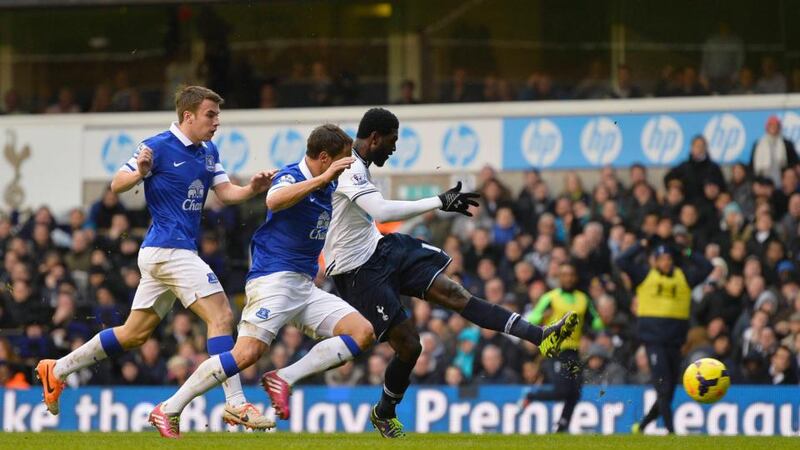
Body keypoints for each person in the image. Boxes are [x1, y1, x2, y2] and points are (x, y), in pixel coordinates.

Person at [265, 107, 577, 438]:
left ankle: (540, 336)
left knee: (457, 294)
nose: (395, 148)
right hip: (358, 273)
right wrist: (439, 201)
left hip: (381, 249)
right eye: (392, 140)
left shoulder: (358, 165)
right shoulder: (348, 166)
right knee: (411, 347)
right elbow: (381, 210)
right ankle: (384, 412)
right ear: (375, 138)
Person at [35, 86, 276, 430]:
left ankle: (56, 369)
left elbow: (226, 193)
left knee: (134, 333)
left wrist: (253, 188)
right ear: (188, 115)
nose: (216, 122)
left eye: (217, 115)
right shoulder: (157, 146)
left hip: (169, 253)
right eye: (210, 115)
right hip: (168, 249)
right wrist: (140, 172)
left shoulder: (209, 150)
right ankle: (236, 403)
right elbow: (118, 184)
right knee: (221, 314)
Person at [148, 124, 377, 438]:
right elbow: (274, 199)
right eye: (340, 162)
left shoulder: (328, 186)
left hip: (303, 286)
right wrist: (323, 179)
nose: (343, 169)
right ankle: (170, 407)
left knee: (362, 333)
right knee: (245, 355)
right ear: (324, 158)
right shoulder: (292, 175)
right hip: (274, 281)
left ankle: (283, 378)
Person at [616, 241, 712, 435]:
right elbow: (621, 261)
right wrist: (641, 245)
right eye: (661, 259)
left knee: (668, 391)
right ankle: (671, 431)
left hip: (675, 342)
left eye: (669, 258)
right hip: (653, 341)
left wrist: (686, 250)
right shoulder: (644, 276)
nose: (665, 262)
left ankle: (642, 426)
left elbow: (707, 267)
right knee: (663, 386)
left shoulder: (683, 277)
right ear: (655, 261)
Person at [518, 261, 604, 433]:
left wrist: (597, 323)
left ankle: (561, 428)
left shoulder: (583, 299)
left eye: (571, 275)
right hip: (554, 350)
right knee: (561, 391)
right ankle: (531, 396)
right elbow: (533, 318)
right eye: (564, 275)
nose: (568, 278)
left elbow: (596, 322)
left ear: (575, 277)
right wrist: (543, 315)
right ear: (559, 278)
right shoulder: (550, 297)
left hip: (574, 351)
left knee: (575, 393)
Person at [749, 115, 798, 186]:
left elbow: (794, 162)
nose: (774, 128)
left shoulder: (787, 144)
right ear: (767, 127)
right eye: (771, 125)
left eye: (776, 125)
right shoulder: (758, 144)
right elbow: (752, 165)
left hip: (782, 179)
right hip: (764, 180)